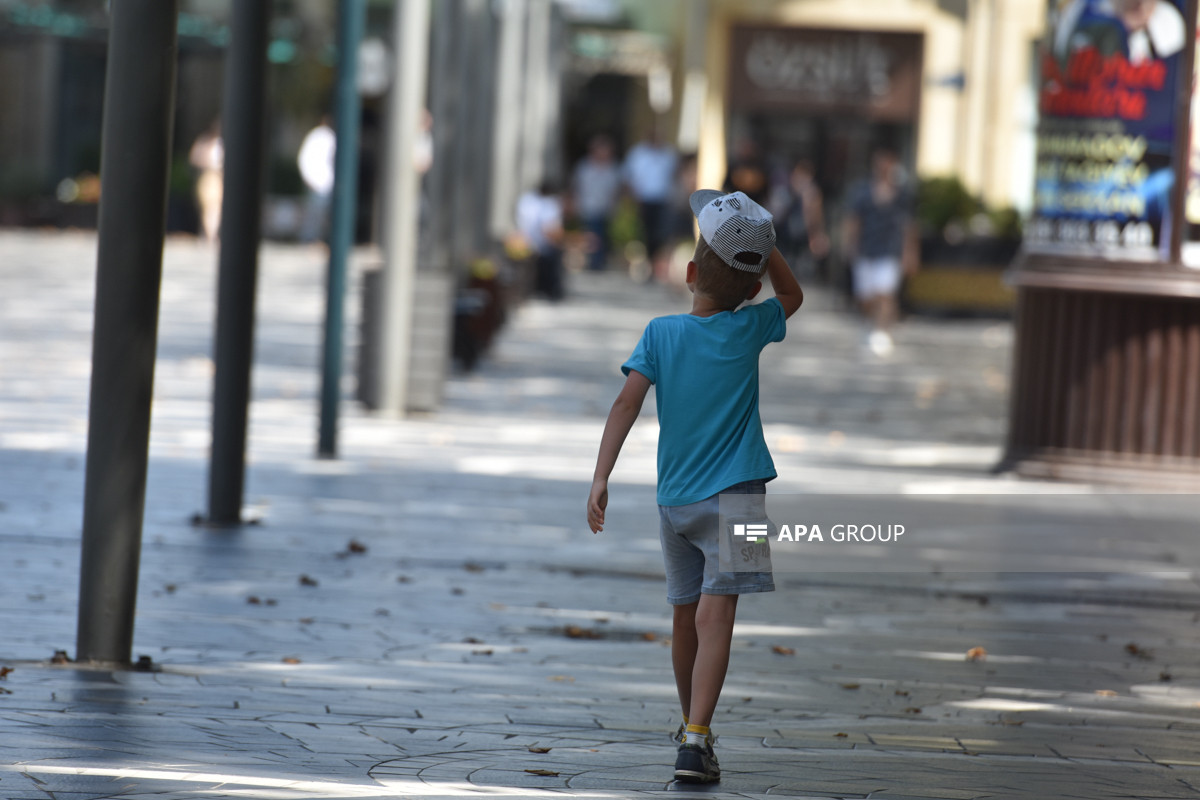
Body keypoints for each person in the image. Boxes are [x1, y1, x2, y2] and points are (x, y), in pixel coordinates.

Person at [586, 189, 803, 784]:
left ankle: (691, 729)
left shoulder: (659, 334)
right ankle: (698, 737)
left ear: (688, 273)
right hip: (743, 496)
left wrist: (602, 475)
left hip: (674, 500)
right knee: (719, 619)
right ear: (753, 288)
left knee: (685, 617)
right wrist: (767, 249)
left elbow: (624, 405)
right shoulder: (753, 324)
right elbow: (794, 295)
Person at [842, 147, 918, 358]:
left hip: (890, 250)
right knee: (865, 297)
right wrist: (850, 246)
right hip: (866, 249)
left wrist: (910, 252)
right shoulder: (861, 191)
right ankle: (870, 324)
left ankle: (882, 331)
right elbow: (853, 221)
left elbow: (909, 225)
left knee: (885, 293)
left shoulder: (902, 194)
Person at [623, 128, 678, 265]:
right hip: (643, 199)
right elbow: (629, 176)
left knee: (660, 232)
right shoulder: (638, 153)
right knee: (644, 231)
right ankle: (644, 260)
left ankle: (656, 261)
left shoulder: (668, 154)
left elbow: (673, 175)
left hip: (662, 199)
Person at [572, 135, 622, 271]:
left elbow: (616, 189)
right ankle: (594, 262)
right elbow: (577, 186)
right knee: (592, 236)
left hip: (606, 207)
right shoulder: (584, 167)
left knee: (603, 236)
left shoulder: (612, 168)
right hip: (589, 206)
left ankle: (600, 260)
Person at [516, 181, 565, 300]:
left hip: (542, 242)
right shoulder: (529, 201)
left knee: (551, 258)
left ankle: (548, 290)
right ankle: (544, 289)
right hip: (529, 241)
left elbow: (551, 227)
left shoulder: (547, 202)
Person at [298, 115, 336, 243]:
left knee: (322, 216)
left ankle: (317, 241)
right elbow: (305, 158)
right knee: (314, 215)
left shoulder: (328, 136)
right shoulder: (321, 136)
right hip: (318, 182)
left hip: (324, 183)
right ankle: (310, 241)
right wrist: (308, 178)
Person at [189, 120, 223, 243]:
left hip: (218, 177)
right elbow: (195, 157)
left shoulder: (220, 144)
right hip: (209, 176)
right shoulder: (206, 143)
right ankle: (210, 235)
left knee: (216, 208)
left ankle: (210, 234)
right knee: (210, 207)